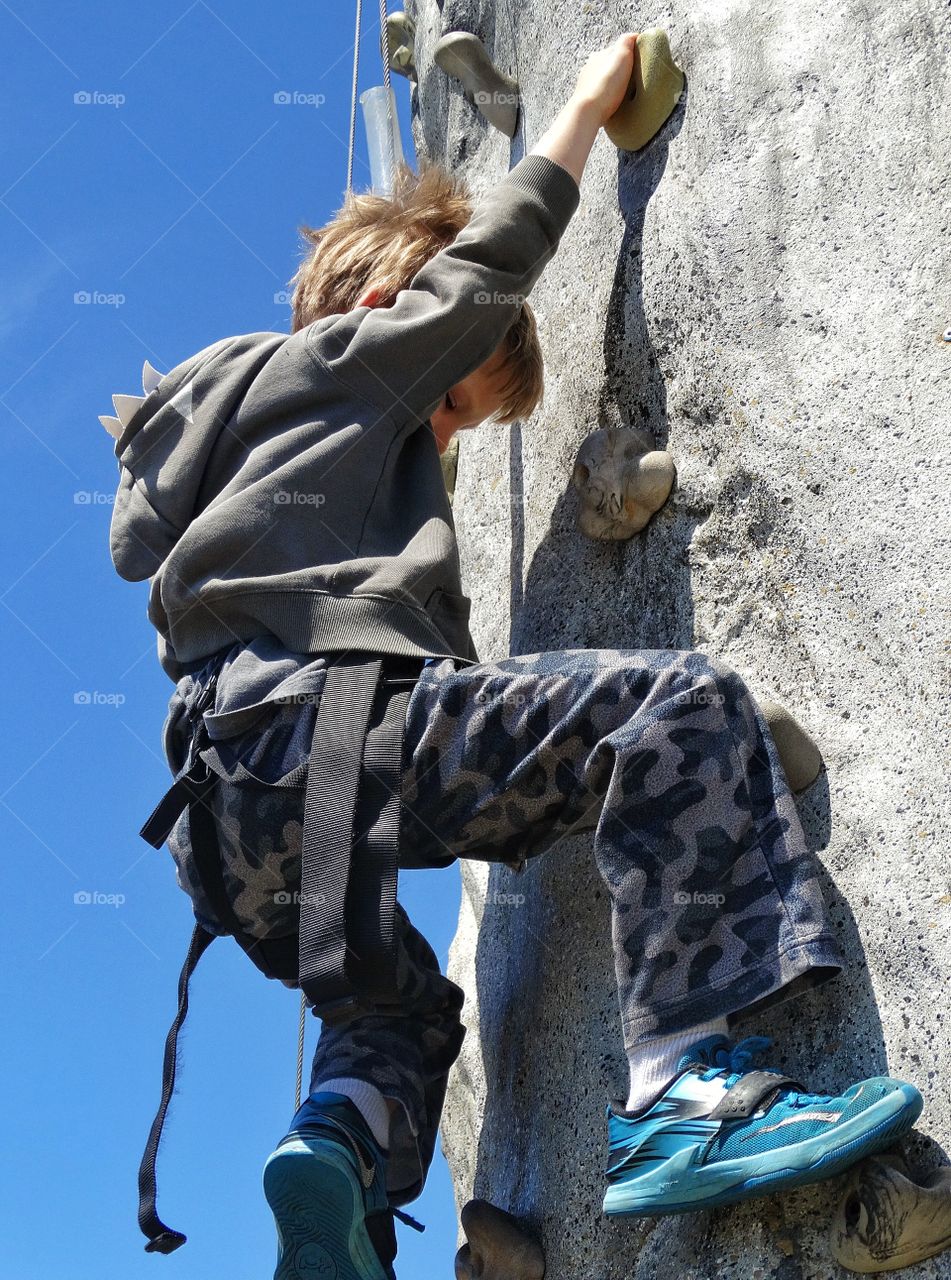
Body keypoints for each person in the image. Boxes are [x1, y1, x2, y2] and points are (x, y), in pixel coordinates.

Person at [109, 34, 923, 1280]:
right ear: (392, 310)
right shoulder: (339, 367)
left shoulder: (220, 460)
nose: (444, 446)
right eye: (454, 407)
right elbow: (484, 271)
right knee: (676, 704)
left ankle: (339, 1159)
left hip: (234, 837)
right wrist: (589, 110)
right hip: (328, 733)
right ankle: (691, 1089)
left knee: (398, 1007)